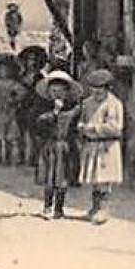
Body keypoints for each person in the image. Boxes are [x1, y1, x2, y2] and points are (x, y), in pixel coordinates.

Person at [77, 69, 125, 224]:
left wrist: (94, 128)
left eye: (100, 89)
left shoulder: (114, 104)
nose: (96, 93)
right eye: (93, 89)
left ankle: (104, 209)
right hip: (91, 145)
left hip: (107, 145)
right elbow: (81, 120)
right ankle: (95, 207)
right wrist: (82, 128)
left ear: (108, 88)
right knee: (95, 179)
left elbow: (116, 127)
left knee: (105, 180)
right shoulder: (87, 103)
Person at [33, 69, 82, 220]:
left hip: (65, 146)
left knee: (62, 179)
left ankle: (59, 208)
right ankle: (47, 206)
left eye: (61, 91)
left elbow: (76, 126)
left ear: (67, 93)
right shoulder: (44, 109)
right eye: (53, 91)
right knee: (49, 178)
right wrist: (53, 113)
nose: (57, 95)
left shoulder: (73, 109)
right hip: (49, 146)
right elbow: (38, 125)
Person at [0, 54, 29, 165]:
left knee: (8, 136)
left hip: (9, 113)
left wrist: (14, 100)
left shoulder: (13, 84)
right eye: (2, 69)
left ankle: (8, 157)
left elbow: (23, 93)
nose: (4, 72)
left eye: (7, 70)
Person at [15, 46, 50, 163]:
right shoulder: (20, 76)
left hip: (34, 107)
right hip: (21, 106)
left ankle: (33, 156)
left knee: (33, 133)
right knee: (20, 133)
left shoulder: (40, 77)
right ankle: (21, 155)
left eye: (34, 59)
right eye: (29, 59)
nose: (32, 62)